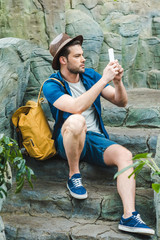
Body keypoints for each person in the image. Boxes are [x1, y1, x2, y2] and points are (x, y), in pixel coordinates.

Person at [43, 33, 155, 236]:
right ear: (63, 60)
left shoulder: (90, 75)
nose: (83, 59)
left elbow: (121, 102)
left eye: (82, 55)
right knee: (77, 120)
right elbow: (76, 107)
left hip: (94, 139)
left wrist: (118, 82)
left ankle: (129, 216)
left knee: (125, 156)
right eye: (77, 56)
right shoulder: (51, 85)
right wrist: (104, 79)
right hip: (68, 138)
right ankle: (73, 175)